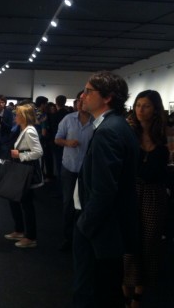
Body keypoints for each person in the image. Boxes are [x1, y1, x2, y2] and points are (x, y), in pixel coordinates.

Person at [73, 71, 139, 308]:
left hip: (99, 231)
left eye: (89, 91)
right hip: (108, 229)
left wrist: (84, 227)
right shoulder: (117, 125)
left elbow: (104, 191)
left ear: (108, 97)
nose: (83, 95)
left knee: (91, 292)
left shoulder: (109, 131)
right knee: (105, 290)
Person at [122, 90, 170, 308]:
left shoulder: (163, 135)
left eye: (146, 106)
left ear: (155, 109)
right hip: (132, 192)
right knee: (130, 240)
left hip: (154, 194)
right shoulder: (129, 132)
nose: (140, 110)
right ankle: (127, 283)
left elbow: (156, 170)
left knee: (149, 242)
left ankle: (140, 289)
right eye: (138, 105)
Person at [54, 91, 94, 252]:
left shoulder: (97, 121)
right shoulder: (68, 119)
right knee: (68, 204)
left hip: (88, 170)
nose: (80, 103)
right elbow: (57, 139)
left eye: (83, 101)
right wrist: (67, 142)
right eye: (78, 101)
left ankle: (82, 237)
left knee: (86, 205)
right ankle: (68, 238)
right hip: (69, 168)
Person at [4, 104, 44, 248]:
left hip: (25, 170)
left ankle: (30, 237)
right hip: (20, 169)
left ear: (24, 117)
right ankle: (20, 230)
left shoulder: (30, 131)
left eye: (18, 115)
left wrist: (20, 154)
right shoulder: (24, 129)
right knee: (15, 200)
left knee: (26, 204)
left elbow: (38, 152)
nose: (15, 117)